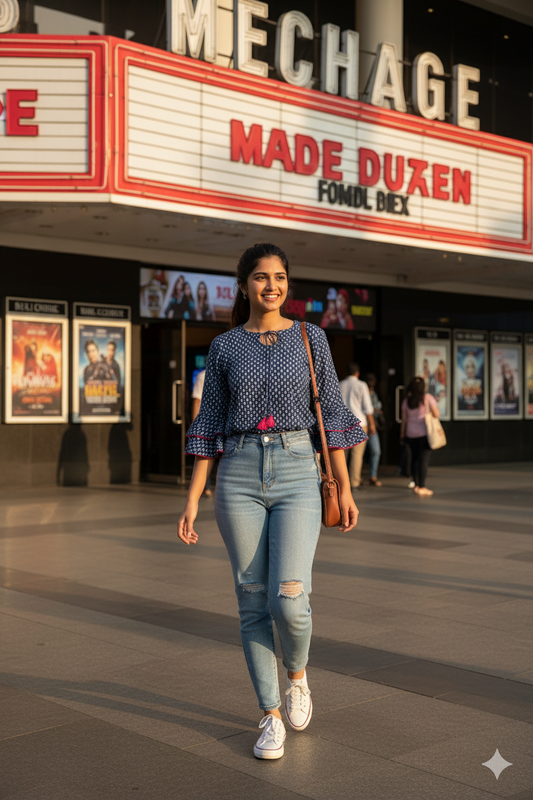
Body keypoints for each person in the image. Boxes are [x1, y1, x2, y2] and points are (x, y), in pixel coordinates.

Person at [177, 243, 366, 761]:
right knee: (251, 600)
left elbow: (331, 412)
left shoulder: (312, 338)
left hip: (298, 471)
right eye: (260, 278)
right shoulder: (224, 348)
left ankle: (298, 676)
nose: (271, 286)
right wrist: (193, 498)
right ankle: (269, 716)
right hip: (236, 474)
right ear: (244, 286)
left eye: (279, 277)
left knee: (290, 599)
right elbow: (209, 425)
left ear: (288, 284)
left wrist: (346, 486)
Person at [400, 376, 440, 497]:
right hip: (424, 434)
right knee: (423, 460)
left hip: (410, 433)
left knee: (414, 459)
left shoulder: (406, 401)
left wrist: (402, 435)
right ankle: (422, 486)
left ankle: (416, 484)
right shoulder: (428, 398)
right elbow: (436, 414)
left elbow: (404, 420)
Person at [340, 363, 375, 488]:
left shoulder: (341, 384)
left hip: (343, 423)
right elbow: (367, 407)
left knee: (342, 454)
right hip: (359, 422)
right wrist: (372, 424)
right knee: (357, 454)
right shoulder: (362, 385)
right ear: (357, 373)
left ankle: (341, 482)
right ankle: (354, 481)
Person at [190, 368, 215, 497]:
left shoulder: (202, 375)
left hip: (210, 421)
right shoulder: (202, 376)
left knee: (206, 454)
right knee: (205, 454)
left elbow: (196, 401)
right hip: (208, 420)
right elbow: (197, 401)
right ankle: (206, 487)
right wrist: (195, 425)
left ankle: (207, 487)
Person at [365, 373, 383, 487]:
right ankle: (355, 476)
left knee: (376, 451)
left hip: (372, 424)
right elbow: (368, 409)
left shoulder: (374, 394)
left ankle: (373, 475)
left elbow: (377, 406)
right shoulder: (362, 391)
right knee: (358, 453)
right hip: (362, 424)